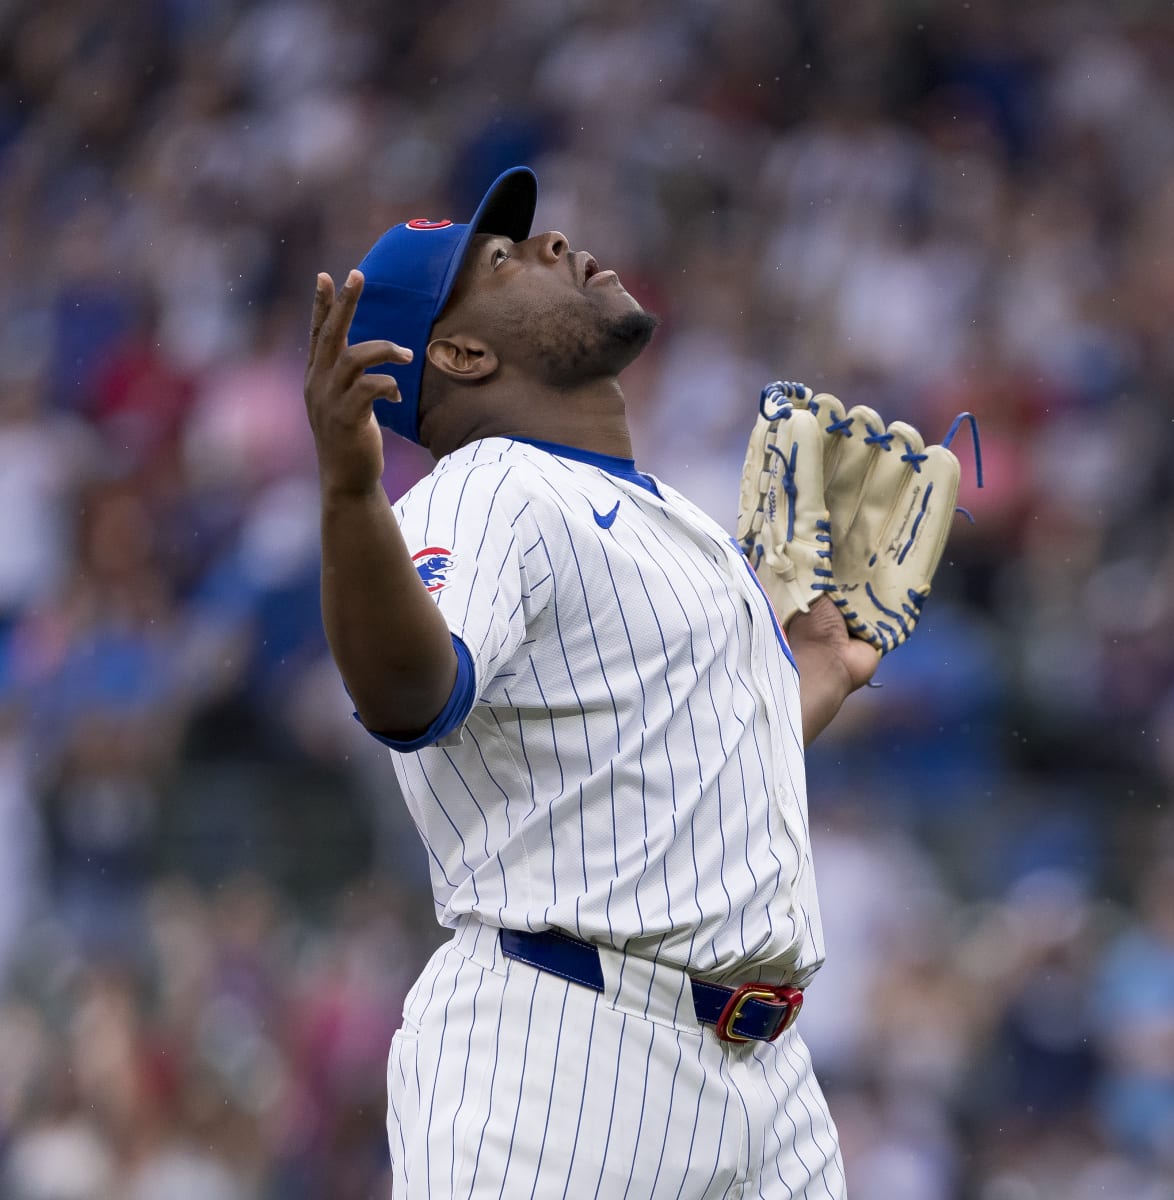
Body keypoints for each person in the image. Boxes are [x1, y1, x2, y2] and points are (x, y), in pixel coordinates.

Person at [304, 165, 904, 1198]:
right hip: (563, 1052)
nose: (551, 242)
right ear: (459, 352)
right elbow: (409, 696)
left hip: (762, 1077)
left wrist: (812, 680)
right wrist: (353, 493)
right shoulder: (494, 487)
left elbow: (661, 772)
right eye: (504, 258)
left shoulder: (673, 518)